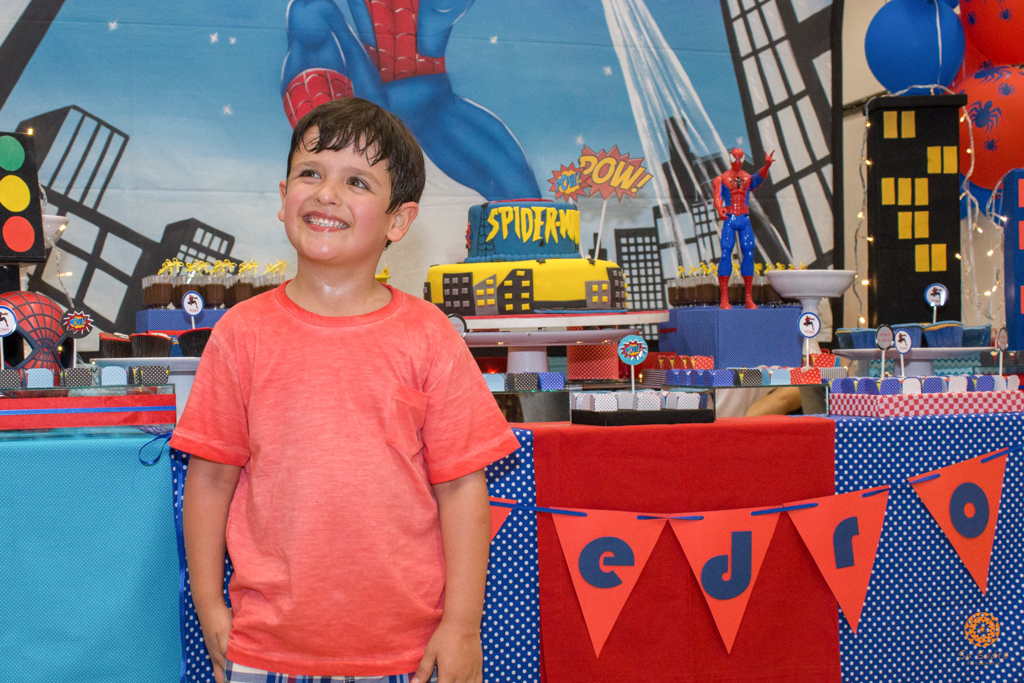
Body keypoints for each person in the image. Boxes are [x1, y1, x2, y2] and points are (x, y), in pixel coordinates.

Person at [169, 97, 521, 683]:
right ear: (284, 195)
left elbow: (462, 488)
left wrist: (462, 626)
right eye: (311, 173)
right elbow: (209, 479)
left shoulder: (429, 335)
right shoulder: (241, 333)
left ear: (398, 221)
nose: (326, 194)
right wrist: (209, 606)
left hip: (407, 654)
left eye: (356, 181)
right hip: (264, 648)